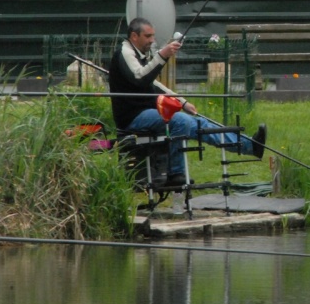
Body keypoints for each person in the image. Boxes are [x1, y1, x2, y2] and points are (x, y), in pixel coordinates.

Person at [109, 17, 266, 186]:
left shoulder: (139, 54)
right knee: (179, 120)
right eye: (148, 36)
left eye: (152, 36)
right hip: (132, 118)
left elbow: (154, 85)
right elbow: (140, 77)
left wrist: (182, 102)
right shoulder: (124, 53)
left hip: (148, 112)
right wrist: (162, 55)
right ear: (134, 36)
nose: (152, 40)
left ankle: (250, 146)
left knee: (199, 123)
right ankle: (175, 173)